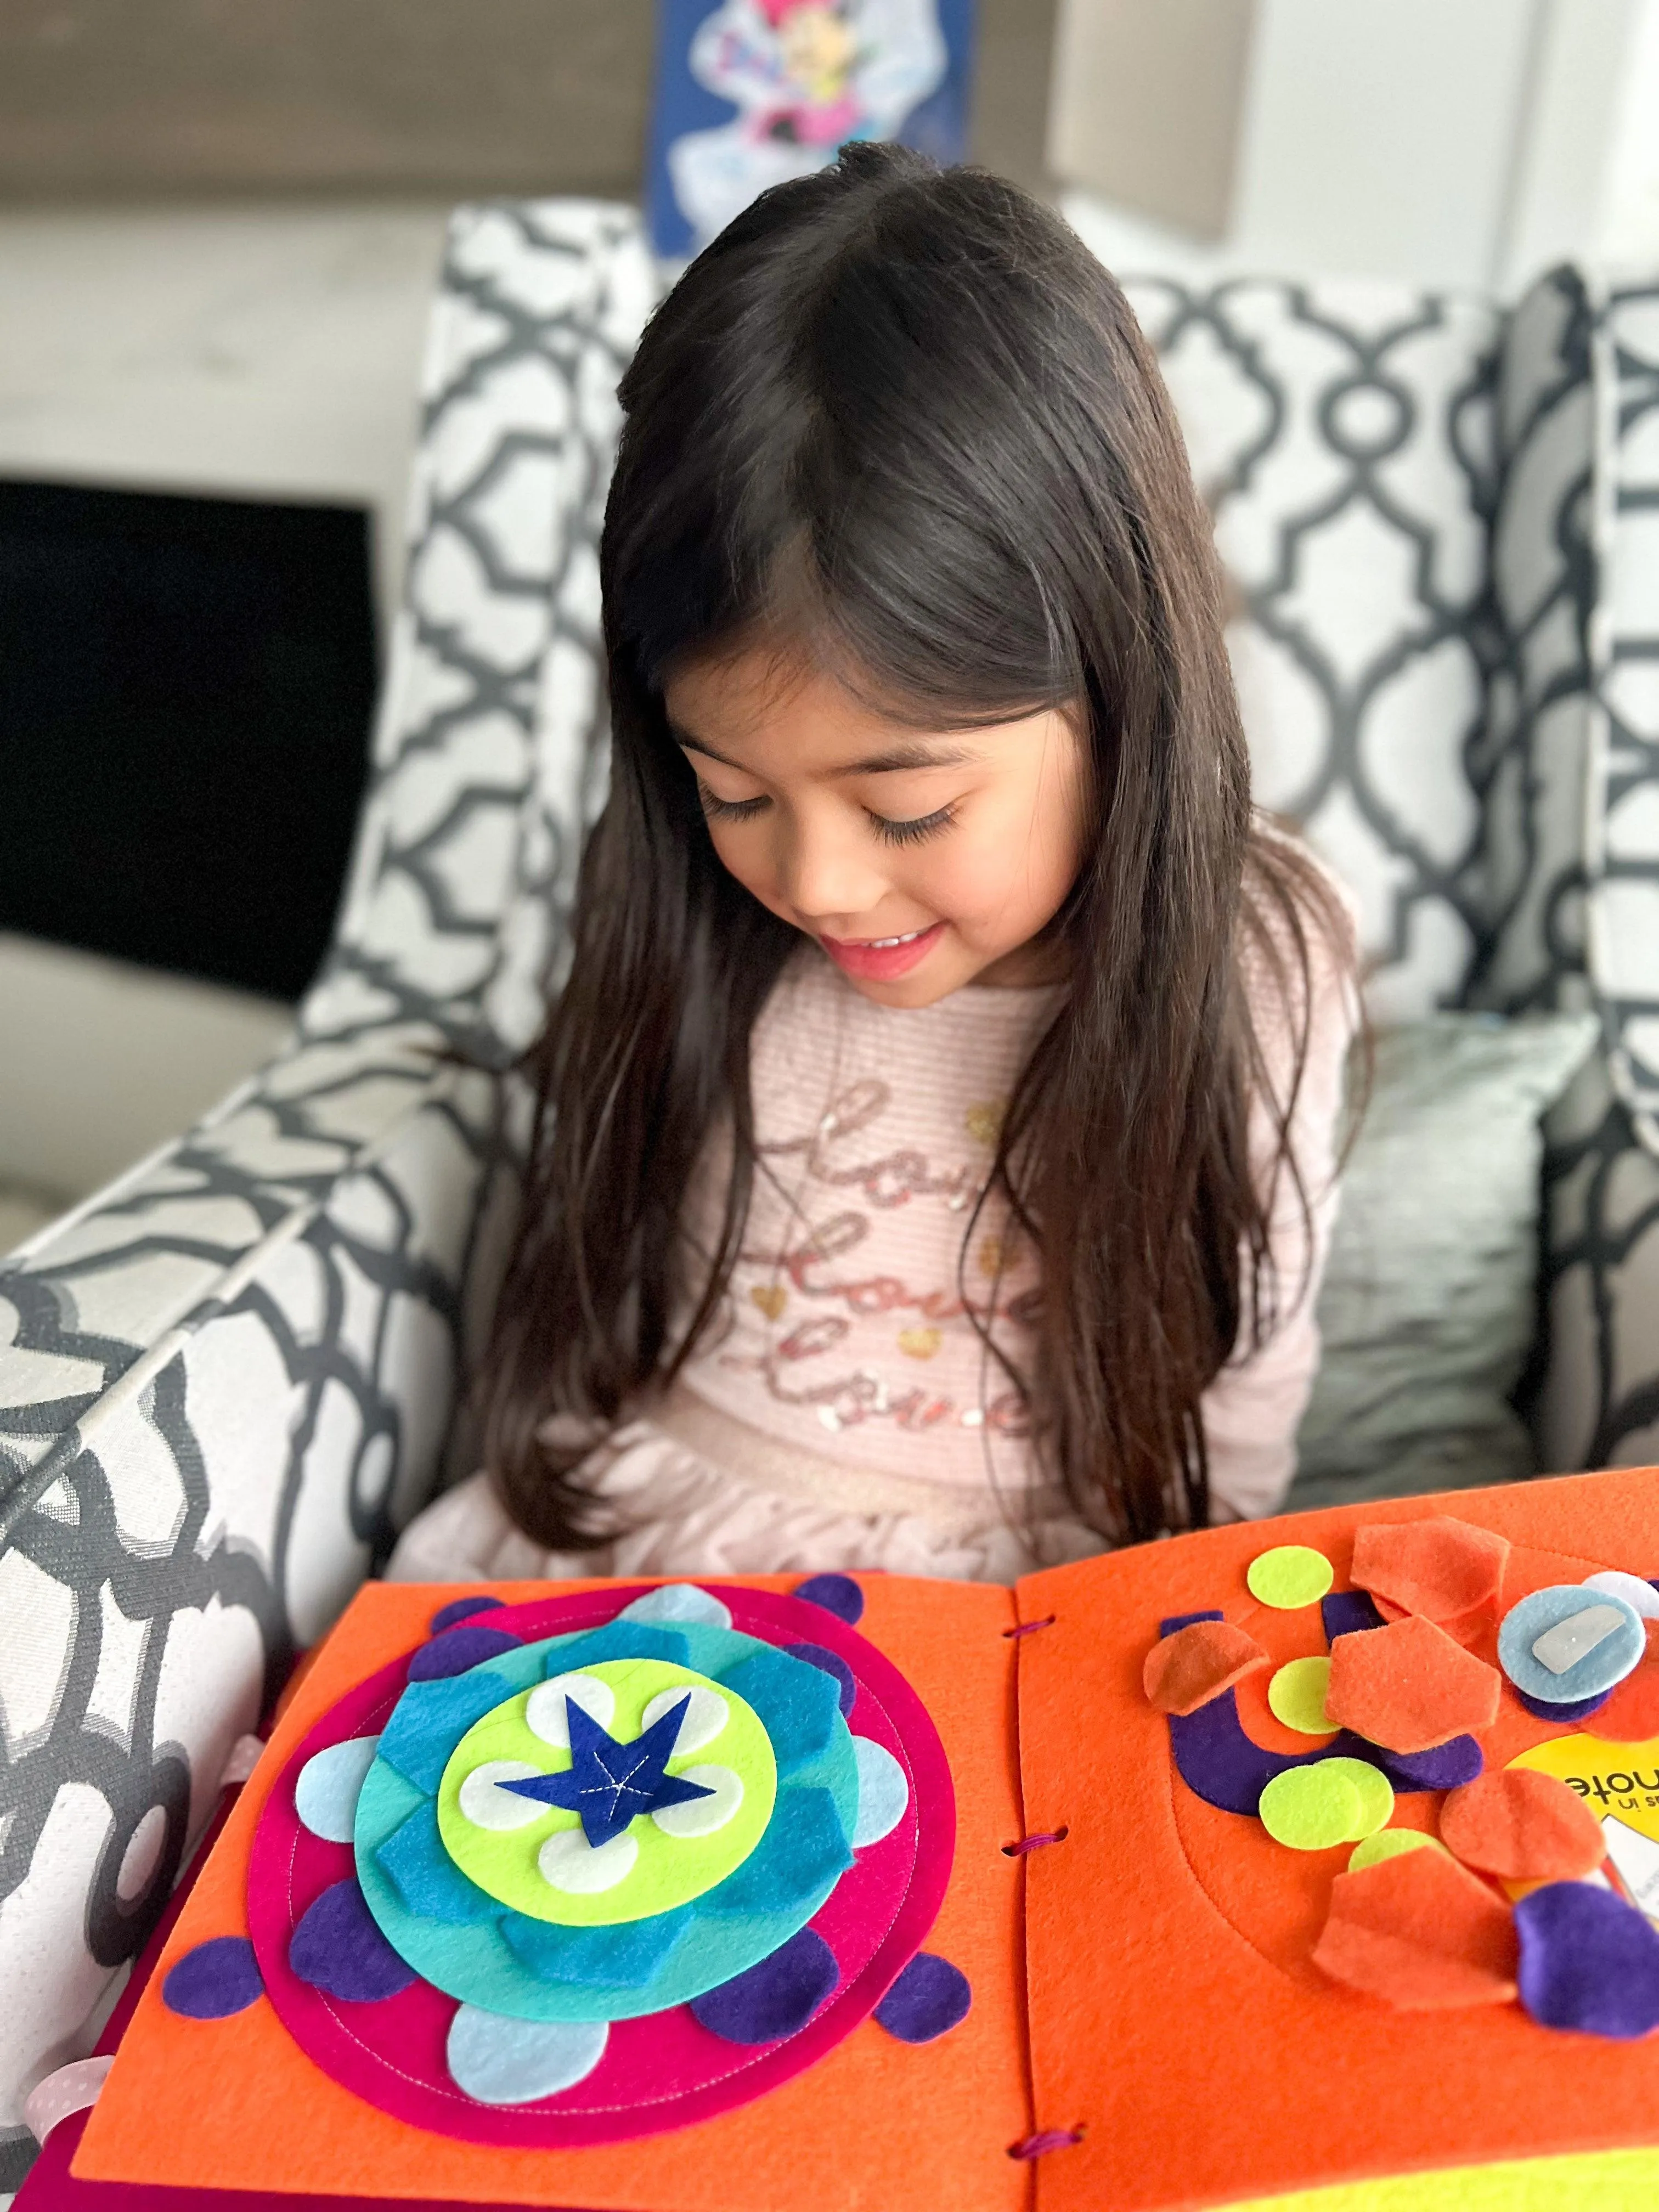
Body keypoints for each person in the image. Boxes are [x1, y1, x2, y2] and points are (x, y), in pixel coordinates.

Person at [390, 144, 1359, 1591]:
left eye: (907, 812)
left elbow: (1249, 1360)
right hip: (654, 1543)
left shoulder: (1257, 959)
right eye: (732, 791)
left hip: (1021, 1601)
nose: (823, 883)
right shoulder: (696, 914)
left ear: (1118, 691)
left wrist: (1204, 1600)